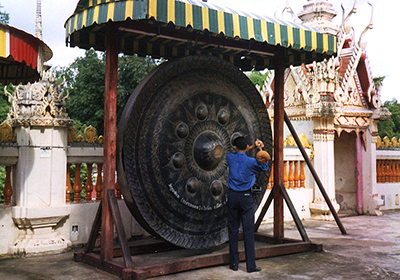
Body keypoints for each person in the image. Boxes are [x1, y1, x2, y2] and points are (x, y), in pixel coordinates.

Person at [226, 136, 269, 273]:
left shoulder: (229, 157)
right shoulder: (252, 162)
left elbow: (238, 151)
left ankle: (234, 264)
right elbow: (265, 164)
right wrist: (260, 148)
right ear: (246, 147)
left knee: (233, 231)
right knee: (248, 231)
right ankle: (250, 266)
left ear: (234, 147)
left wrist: (248, 147)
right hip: (245, 197)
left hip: (232, 196)